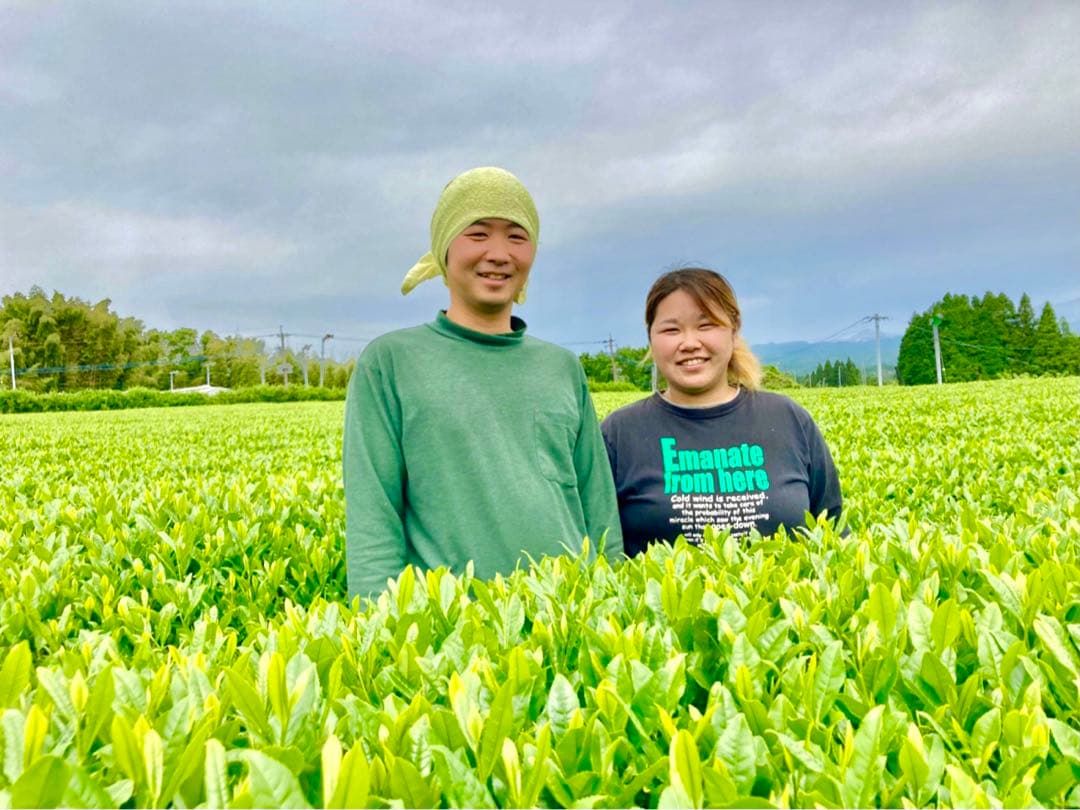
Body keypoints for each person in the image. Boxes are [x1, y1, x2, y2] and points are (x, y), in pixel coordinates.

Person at [344, 166, 623, 600]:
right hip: (455, 635)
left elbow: (599, 508)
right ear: (444, 248)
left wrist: (614, 606)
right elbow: (373, 518)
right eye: (477, 234)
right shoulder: (391, 363)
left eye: (516, 236)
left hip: (571, 618)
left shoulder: (562, 367)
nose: (498, 253)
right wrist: (379, 631)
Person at [600, 267, 842, 557]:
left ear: (734, 330)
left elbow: (834, 536)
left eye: (706, 325)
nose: (689, 343)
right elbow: (601, 551)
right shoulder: (619, 433)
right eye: (671, 329)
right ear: (650, 337)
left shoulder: (788, 419)